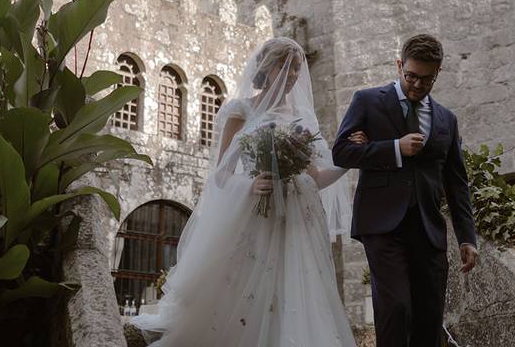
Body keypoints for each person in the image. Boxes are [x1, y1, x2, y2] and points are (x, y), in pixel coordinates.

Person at [132, 37, 364, 346]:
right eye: (285, 66)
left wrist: (351, 160)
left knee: (296, 289)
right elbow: (221, 174)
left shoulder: (301, 119)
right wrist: (250, 185)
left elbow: (317, 177)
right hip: (257, 216)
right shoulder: (241, 110)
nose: (292, 74)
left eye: (296, 68)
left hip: (297, 220)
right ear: (267, 68)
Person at [333, 34, 478, 347]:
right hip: (381, 224)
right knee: (396, 308)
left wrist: (467, 237)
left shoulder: (446, 120)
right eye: (411, 76)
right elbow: (341, 152)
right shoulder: (368, 100)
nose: (416, 85)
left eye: (427, 80)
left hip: (428, 229)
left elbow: (456, 182)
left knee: (429, 317)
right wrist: (393, 148)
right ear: (400, 66)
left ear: (437, 74)